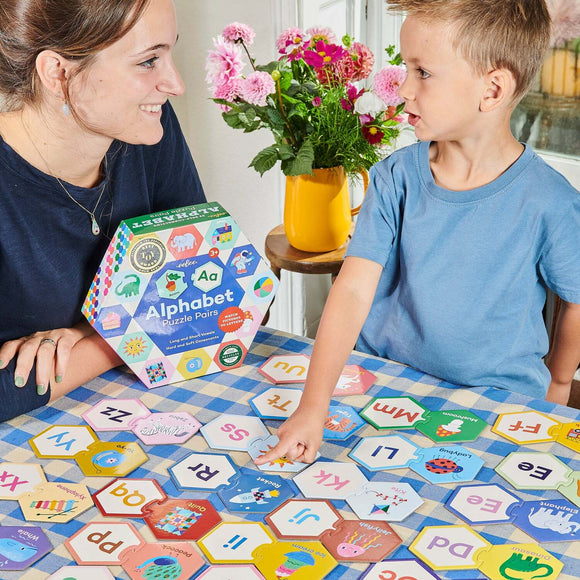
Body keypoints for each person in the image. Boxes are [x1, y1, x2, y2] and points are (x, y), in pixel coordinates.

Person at [256, 0, 580, 466]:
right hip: (382, 383)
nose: (404, 90)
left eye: (423, 72)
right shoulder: (394, 177)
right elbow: (351, 292)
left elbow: (574, 301)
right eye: (405, 69)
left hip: (495, 405)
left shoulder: (552, 201)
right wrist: (313, 405)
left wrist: (560, 384)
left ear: (492, 90)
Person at [0, 0, 206, 422]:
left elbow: (214, 291)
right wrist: (137, 334)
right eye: (149, 61)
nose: (175, 84)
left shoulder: (146, 131)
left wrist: (91, 342)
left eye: (169, 53)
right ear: (57, 73)